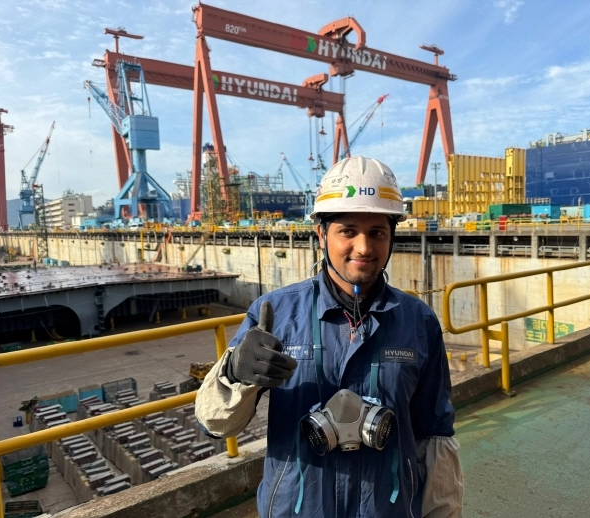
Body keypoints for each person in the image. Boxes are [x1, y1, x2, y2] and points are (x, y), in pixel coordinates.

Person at [196, 156, 463, 517]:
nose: (364, 248)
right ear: (322, 234)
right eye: (348, 231)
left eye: (377, 233)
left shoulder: (418, 321)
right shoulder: (275, 315)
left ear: (392, 237)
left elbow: (434, 435)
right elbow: (215, 425)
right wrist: (235, 375)